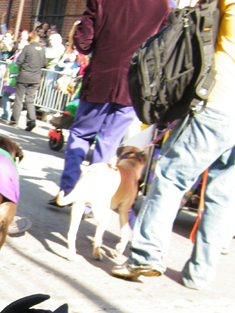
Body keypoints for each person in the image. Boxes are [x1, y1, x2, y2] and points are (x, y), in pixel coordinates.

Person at [112, 1, 235, 291]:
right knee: (222, 196)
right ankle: (200, 273)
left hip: (218, 105)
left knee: (171, 180)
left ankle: (146, 257)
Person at [49, 0, 168, 207]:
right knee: (108, 143)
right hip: (133, 85)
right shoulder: (162, 6)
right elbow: (163, 48)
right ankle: (89, 200)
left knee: (80, 135)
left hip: (100, 79)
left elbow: (83, 43)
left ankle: (68, 190)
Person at [9, 31, 45, 132]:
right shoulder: (42, 49)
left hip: (24, 76)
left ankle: (14, 121)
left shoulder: (27, 48)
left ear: (30, 39)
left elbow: (19, 61)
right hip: (35, 78)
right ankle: (31, 121)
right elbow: (44, 63)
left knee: (18, 99)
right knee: (30, 100)